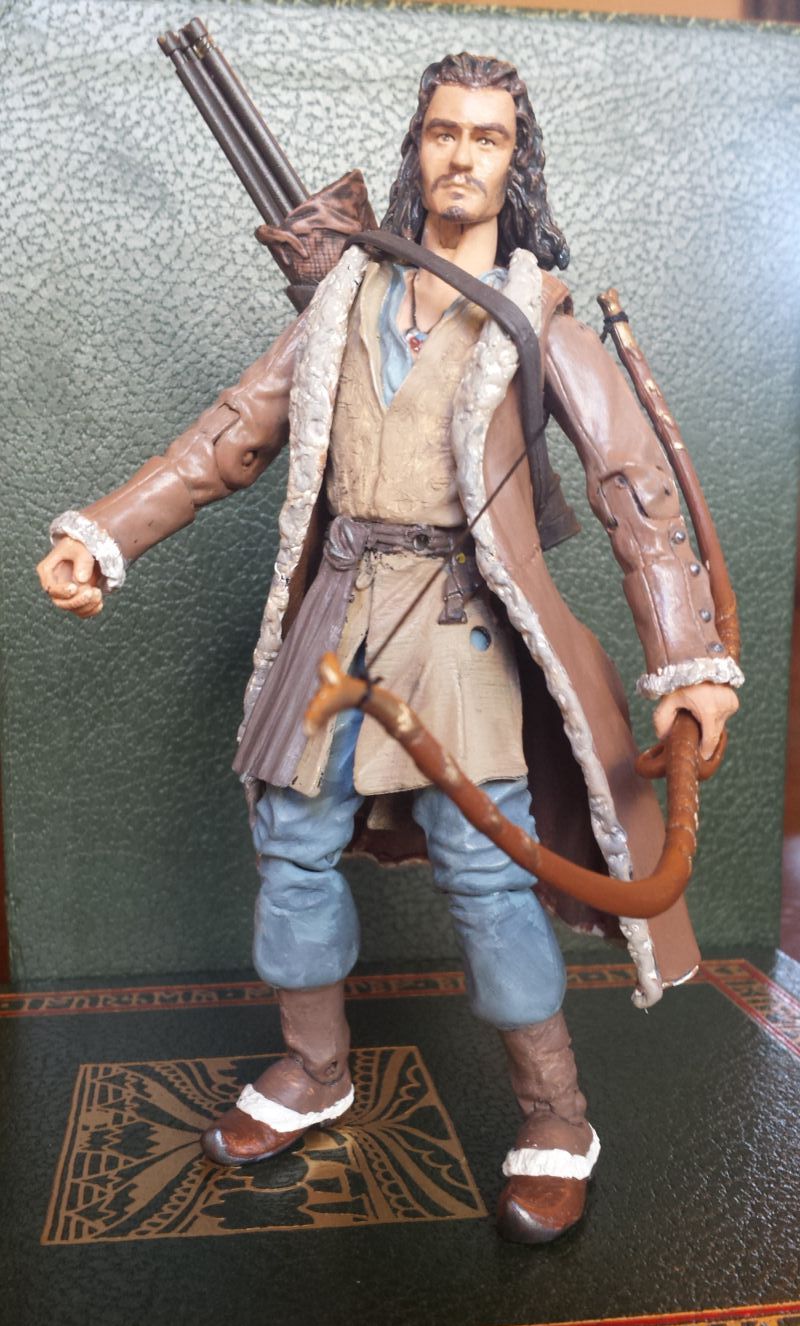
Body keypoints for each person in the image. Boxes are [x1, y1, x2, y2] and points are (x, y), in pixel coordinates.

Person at [37, 53, 741, 1245]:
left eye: (487, 137)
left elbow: (633, 491)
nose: (461, 155)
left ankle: (554, 1114)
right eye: (441, 131)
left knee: (488, 872)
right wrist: (102, 536)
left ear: (515, 162)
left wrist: (689, 663)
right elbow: (228, 434)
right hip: (341, 614)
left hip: (462, 625)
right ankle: (315, 1069)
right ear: (415, 146)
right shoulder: (345, 298)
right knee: (289, 844)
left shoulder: (535, 316)